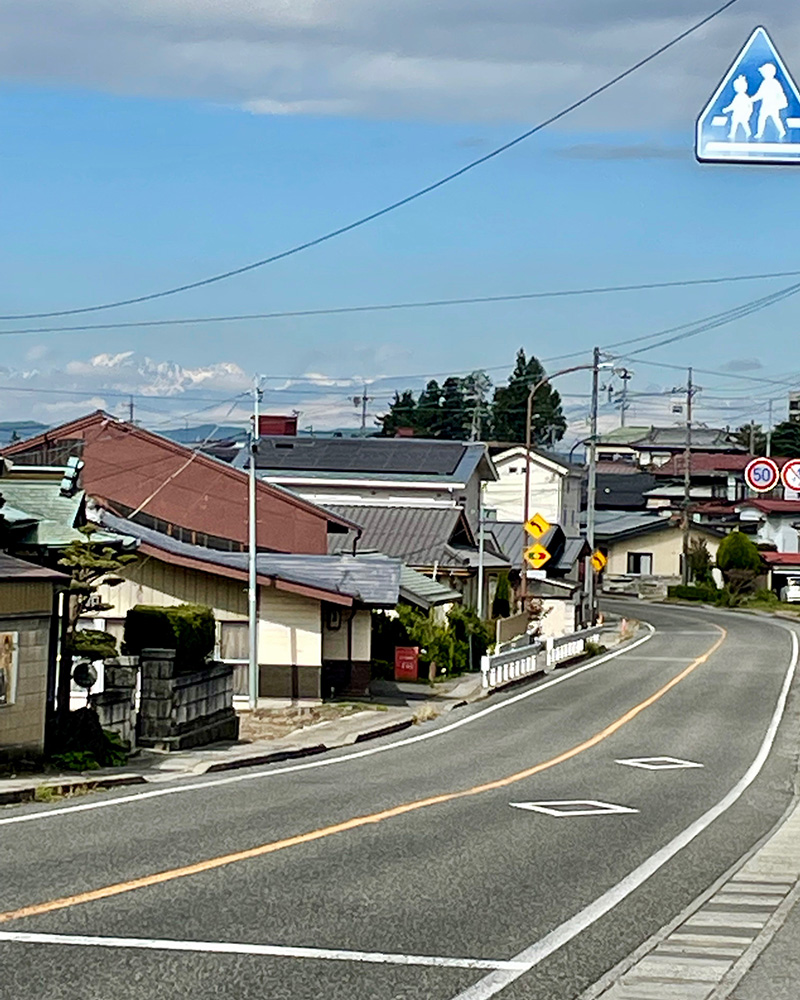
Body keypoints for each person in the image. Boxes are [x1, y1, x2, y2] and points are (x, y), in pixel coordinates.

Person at [752, 63, 787, 140]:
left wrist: (751, 99)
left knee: (770, 118)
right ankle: (760, 133)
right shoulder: (767, 82)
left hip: (772, 105)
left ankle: (781, 131)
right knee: (767, 118)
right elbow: (760, 94)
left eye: (764, 72)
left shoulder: (771, 83)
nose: (763, 74)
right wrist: (752, 99)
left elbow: (760, 94)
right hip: (768, 105)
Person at [722, 75, 753, 140]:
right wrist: (727, 109)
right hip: (737, 114)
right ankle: (733, 134)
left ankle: (748, 132)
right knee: (736, 123)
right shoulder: (738, 96)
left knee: (743, 123)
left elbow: (734, 105)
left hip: (742, 114)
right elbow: (733, 105)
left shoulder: (743, 97)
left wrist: (748, 114)